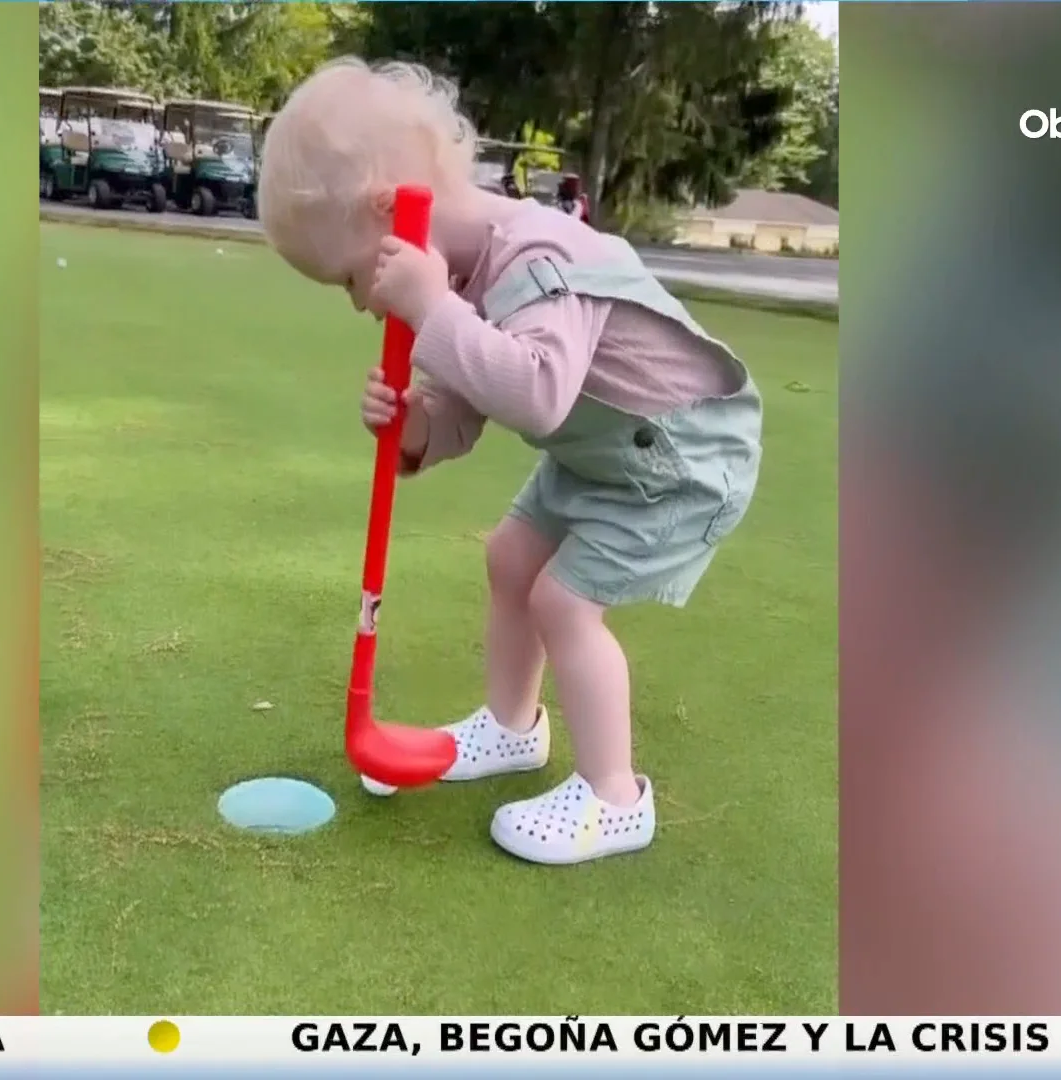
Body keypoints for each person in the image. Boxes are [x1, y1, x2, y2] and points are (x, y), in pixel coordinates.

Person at [257, 58, 763, 865]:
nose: (361, 301)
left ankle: (615, 798)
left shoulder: (535, 256)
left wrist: (428, 309)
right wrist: (419, 424)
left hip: (682, 457)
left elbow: (535, 396)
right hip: (601, 452)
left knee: (562, 601)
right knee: (511, 557)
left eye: (353, 276)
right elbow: (471, 403)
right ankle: (512, 729)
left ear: (390, 210)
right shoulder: (458, 273)